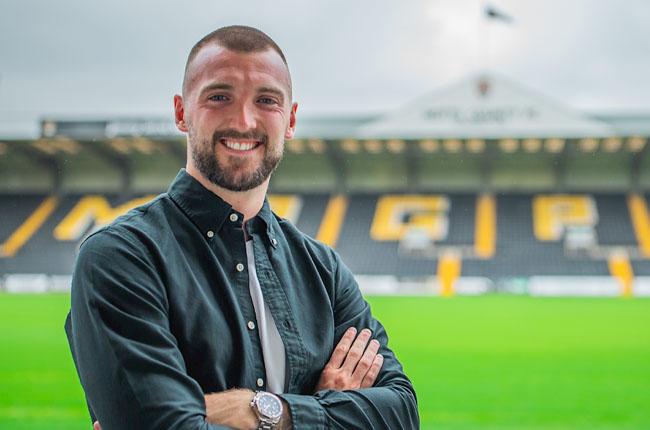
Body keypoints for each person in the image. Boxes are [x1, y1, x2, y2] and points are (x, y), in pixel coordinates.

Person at [65, 25, 419, 430]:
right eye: (220, 97)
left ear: (290, 119)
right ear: (181, 112)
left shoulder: (324, 271)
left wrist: (264, 409)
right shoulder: (121, 257)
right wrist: (320, 408)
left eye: (266, 100)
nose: (244, 120)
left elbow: (401, 413)